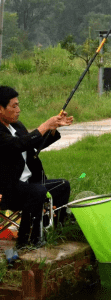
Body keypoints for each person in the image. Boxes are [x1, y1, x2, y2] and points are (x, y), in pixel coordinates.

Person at [0, 86, 72, 249]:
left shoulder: (16, 126)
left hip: (29, 185)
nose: (18, 110)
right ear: (0, 109)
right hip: (8, 190)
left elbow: (32, 145)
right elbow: (18, 144)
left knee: (62, 186)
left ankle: (53, 231)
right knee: (37, 192)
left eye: (18, 105)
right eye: (14, 106)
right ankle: (27, 241)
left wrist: (52, 130)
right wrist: (45, 125)